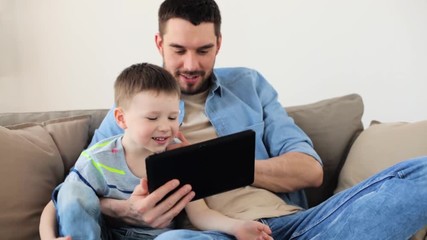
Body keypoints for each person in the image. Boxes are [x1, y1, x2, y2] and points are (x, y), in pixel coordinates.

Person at [41, 0, 427, 239]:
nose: (191, 64)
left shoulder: (251, 85)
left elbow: (310, 171)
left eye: (204, 50)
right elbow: (78, 191)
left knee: (418, 176)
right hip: (211, 234)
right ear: (159, 43)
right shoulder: (130, 114)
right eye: (178, 50)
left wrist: (219, 164)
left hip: (297, 224)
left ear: (219, 44)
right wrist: (126, 210)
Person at [41, 62, 273, 240]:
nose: (165, 126)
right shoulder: (97, 159)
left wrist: (237, 227)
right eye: (152, 117)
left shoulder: (178, 159)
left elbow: (200, 214)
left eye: (173, 117)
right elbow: (61, 201)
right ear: (122, 118)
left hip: (160, 238)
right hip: (103, 235)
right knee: (73, 191)